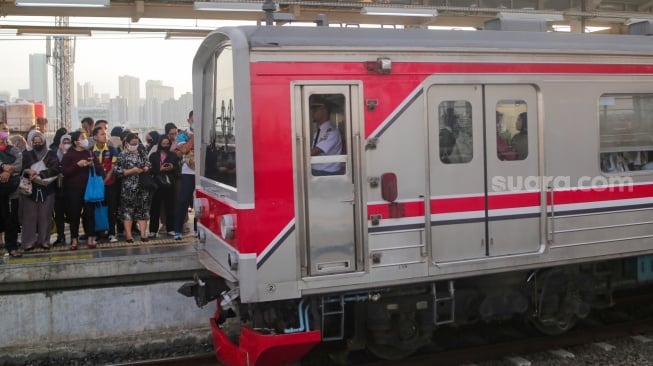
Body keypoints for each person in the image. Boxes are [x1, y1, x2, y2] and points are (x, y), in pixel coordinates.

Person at [61, 131, 102, 250]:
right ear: (76, 141)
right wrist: (77, 165)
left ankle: (91, 238)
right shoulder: (69, 155)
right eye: (82, 138)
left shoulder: (89, 152)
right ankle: (74, 240)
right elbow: (65, 172)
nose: (85, 140)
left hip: (89, 188)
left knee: (89, 213)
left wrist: (91, 164)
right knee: (74, 214)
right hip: (73, 189)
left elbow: (99, 169)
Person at [20, 130, 60, 251]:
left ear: (44, 140)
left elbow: (56, 169)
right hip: (30, 189)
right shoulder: (26, 154)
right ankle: (28, 242)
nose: (37, 143)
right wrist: (28, 171)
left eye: (40, 141)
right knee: (29, 216)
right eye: (34, 141)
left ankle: (44, 241)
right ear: (31, 142)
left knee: (45, 215)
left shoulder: (51, 153)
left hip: (47, 189)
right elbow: (21, 169)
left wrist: (40, 173)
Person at [115, 133, 152, 243]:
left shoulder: (142, 152)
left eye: (137, 144)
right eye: (132, 144)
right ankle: (129, 235)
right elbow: (117, 171)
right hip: (128, 188)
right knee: (127, 211)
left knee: (143, 210)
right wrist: (130, 171)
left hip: (142, 186)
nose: (135, 146)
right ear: (127, 143)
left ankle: (143, 234)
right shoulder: (122, 155)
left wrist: (144, 168)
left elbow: (149, 164)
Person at [91, 126, 120, 243]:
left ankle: (112, 233)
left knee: (111, 208)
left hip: (110, 184)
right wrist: (99, 183)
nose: (105, 136)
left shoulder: (112, 150)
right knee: (97, 208)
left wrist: (105, 180)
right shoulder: (90, 151)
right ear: (95, 137)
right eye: (102, 134)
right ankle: (98, 233)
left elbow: (113, 167)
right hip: (95, 185)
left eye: (105, 134)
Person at [148, 136, 179, 238]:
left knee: (170, 207)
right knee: (155, 208)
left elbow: (177, 170)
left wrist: (172, 167)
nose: (165, 146)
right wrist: (159, 169)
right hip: (156, 184)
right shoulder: (153, 156)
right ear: (159, 144)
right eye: (164, 144)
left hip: (169, 184)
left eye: (167, 144)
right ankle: (153, 230)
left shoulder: (173, 156)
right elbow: (150, 169)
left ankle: (170, 228)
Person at [173, 112, 196, 240]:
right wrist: (195, 136)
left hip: (203, 172)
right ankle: (178, 230)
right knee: (183, 201)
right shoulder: (182, 134)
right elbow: (183, 150)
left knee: (201, 203)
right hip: (188, 172)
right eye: (194, 120)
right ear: (189, 120)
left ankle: (198, 229)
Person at [0, 122, 22, 257]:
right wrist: (2, 168)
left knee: (11, 219)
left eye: (7, 130)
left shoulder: (13, 149)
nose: (6, 132)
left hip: (11, 190)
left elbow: (18, 163)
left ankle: (12, 247)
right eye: (3, 129)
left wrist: (8, 172)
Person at [309, 96, 343, 176]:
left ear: (324, 111)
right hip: (318, 170)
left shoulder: (332, 132)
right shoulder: (319, 131)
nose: (312, 112)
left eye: (315, 109)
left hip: (326, 172)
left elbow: (314, 152)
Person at [52, 132, 70, 246]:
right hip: (57, 189)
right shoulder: (54, 154)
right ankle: (60, 236)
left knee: (72, 214)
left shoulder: (73, 154)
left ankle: (74, 236)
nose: (66, 144)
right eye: (64, 142)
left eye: (68, 142)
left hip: (71, 189)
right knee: (58, 214)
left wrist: (66, 154)